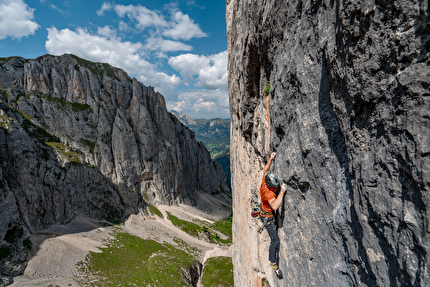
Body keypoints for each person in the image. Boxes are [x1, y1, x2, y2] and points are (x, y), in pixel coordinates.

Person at [260, 152, 287, 279]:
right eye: (274, 188)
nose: (275, 189)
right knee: (275, 240)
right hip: (267, 217)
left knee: (275, 238)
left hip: (262, 211)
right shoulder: (269, 194)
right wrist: (281, 192)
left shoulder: (264, 181)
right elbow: (275, 206)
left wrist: (270, 158)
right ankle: (273, 262)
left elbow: (265, 169)